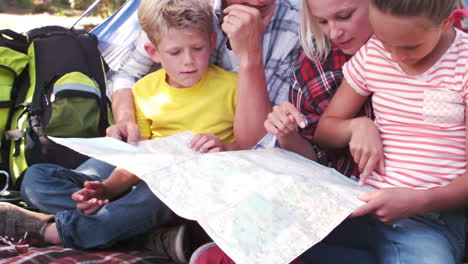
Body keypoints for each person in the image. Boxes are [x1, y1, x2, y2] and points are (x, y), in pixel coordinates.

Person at [3, 1, 238, 264]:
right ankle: (143, 234)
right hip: (138, 172)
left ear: (213, 41)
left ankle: (54, 230)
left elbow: (249, 145)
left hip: (183, 186)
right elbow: (139, 157)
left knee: (153, 195)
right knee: (35, 179)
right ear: (153, 52)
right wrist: (107, 189)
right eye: (175, 52)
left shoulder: (233, 86)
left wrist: (224, 145)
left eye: (198, 48)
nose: (188, 60)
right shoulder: (145, 91)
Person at [189, 0, 377, 262]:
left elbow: (257, 144)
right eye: (324, 22)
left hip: (270, 167)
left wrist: (250, 57)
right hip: (201, 151)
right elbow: (126, 66)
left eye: (343, 17)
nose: (333, 32)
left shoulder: (302, 30)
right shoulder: (191, 10)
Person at [311, 0, 468, 263]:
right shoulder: (374, 53)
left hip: (432, 219)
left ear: (447, 23)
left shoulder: (462, 65)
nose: (394, 57)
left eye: (410, 46)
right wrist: (357, 125)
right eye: (384, 40)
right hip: (360, 204)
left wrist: (419, 201)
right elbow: (325, 131)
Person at [107, 0, 302, 150]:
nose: (259, 2)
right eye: (176, 52)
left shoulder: (296, 27)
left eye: (198, 48)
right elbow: (127, 73)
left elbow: (262, 142)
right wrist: (126, 121)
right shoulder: (178, 9)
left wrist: (251, 57)